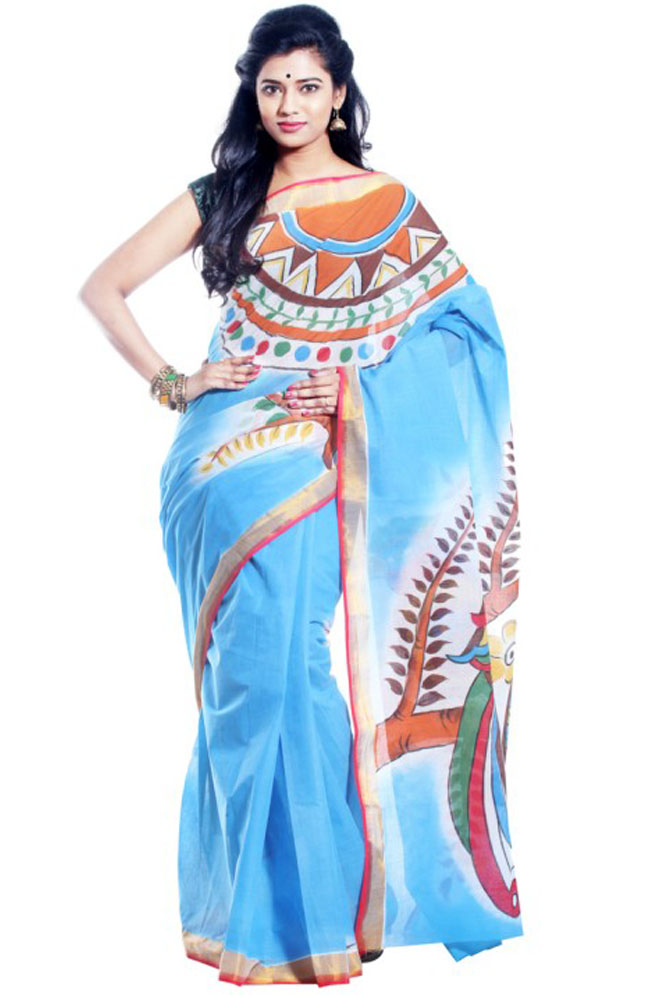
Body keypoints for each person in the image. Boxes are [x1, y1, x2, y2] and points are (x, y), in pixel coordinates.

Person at [78, 3, 524, 985]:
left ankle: (315, 911)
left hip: (324, 455)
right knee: (243, 681)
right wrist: (177, 382)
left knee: (289, 675)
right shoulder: (224, 193)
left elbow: (465, 339)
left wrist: (354, 385)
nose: (288, 103)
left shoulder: (388, 204)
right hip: (216, 464)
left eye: (307, 86)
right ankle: (255, 916)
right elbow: (102, 286)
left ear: (339, 94)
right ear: (254, 93)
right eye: (271, 86)